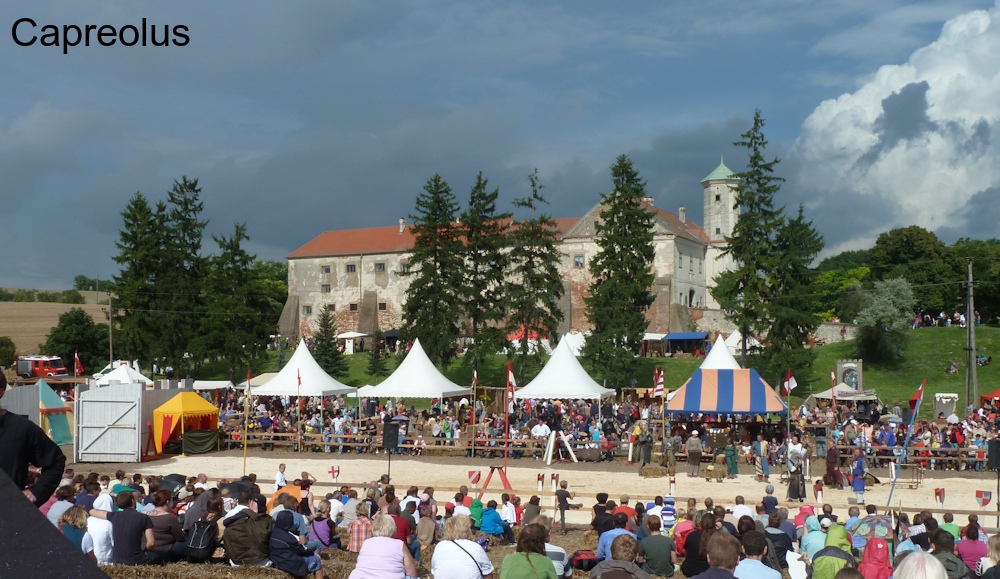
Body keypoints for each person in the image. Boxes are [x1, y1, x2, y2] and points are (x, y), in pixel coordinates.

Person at [0, 371, 66, 507]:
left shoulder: (22, 429)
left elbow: (56, 462)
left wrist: (36, 492)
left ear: (0, 392)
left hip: (9, 516)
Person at [88, 490, 155, 566]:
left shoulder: (114, 516)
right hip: (137, 559)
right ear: (133, 501)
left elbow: (92, 512)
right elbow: (151, 543)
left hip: (118, 559)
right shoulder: (144, 517)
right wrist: (145, 550)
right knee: (163, 555)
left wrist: (92, 509)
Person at [349, 514, 418, 579]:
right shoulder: (399, 544)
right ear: (393, 529)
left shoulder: (366, 543)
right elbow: (411, 573)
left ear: (373, 529)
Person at [432, 514, 495, 579]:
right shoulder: (475, 547)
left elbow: (435, 570)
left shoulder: (439, 547)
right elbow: (488, 574)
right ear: (466, 530)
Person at [223, 490, 275, 566]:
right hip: (259, 561)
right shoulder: (263, 521)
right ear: (250, 503)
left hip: (236, 562)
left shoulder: (230, 519)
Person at [270, 511, 325, 579]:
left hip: (278, 561)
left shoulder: (273, 533)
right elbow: (301, 550)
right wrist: (313, 553)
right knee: (316, 560)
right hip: (289, 564)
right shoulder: (288, 538)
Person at [146, 489, 187, 563]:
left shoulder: (146, 514)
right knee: (186, 544)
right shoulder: (170, 518)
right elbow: (180, 537)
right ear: (168, 502)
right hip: (164, 550)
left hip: (148, 548)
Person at [86, 494, 115, 565]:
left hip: (91, 557)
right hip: (106, 561)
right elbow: (114, 542)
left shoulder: (88, 520)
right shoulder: (109, 523)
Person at [787, 434, 806, 502]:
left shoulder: (799, 459)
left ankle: (801, 497)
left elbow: (803, 452)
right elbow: (792, 469)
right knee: (793, 488)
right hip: (794, 477)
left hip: (800, 476)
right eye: (796, 454)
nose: (797, 455)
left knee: (801, 487)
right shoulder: (790, 461)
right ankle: (792, 498)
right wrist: (798, 464)